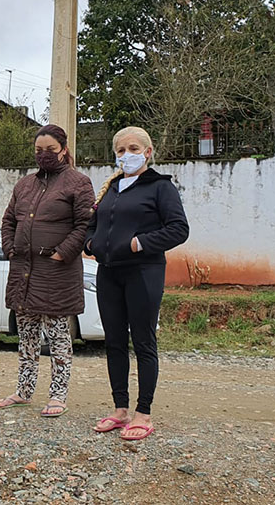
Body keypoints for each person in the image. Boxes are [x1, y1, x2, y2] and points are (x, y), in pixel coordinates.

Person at [85, 126, 189, 441]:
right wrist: (90, 244)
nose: (126, 155)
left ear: (147, 151)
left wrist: (138, 243)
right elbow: (93, 224)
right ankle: (120, 410)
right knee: (114, 341)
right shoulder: (112, 187)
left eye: (132, 148)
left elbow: (178, 229)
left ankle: (143, 412)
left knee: (143, 342)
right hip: (109, 272)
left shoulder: (160, 187)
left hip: (143, 271)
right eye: (120, 150)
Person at [0, 125, 94, 417]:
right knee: (26, 337)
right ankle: (24, 391)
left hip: (57, 274)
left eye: (50, 150)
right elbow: (9, 219)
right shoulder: (25, 185)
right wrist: (9, 248)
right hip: (23, 272)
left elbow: (84, 225)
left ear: (63, 149)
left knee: (59, 337)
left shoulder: (79, 182)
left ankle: (58, 395)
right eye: (39, 150)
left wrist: (62, 253)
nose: (44, 155)